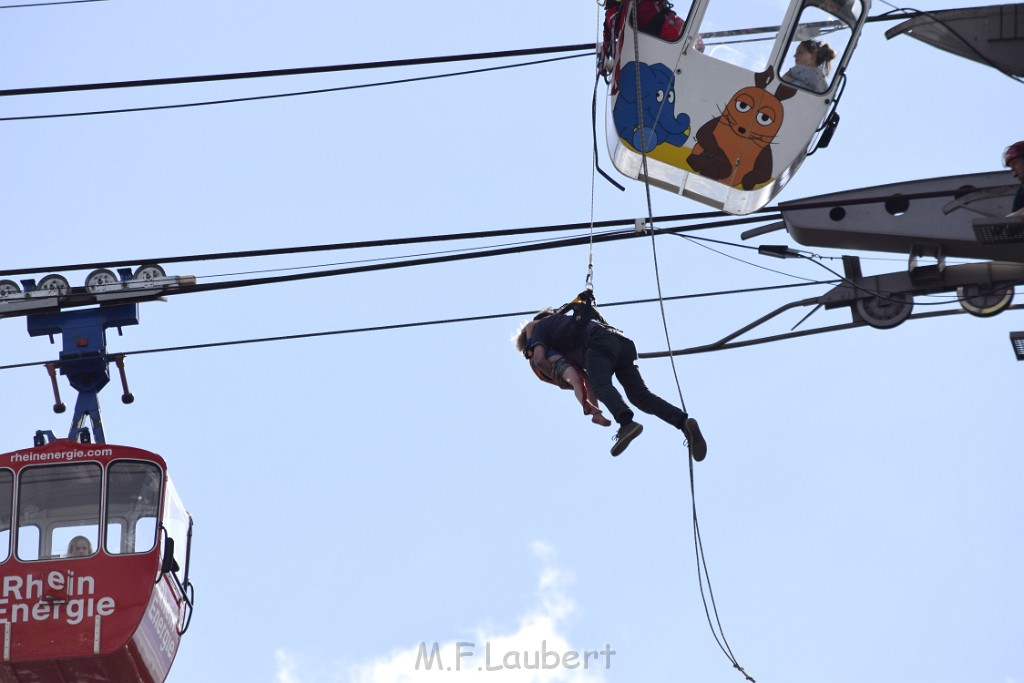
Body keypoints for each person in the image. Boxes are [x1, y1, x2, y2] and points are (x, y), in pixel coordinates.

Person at [515, 297, 706, 459]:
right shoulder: (568, 323)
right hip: (619, 342)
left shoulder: (540, 328)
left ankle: (626, 423)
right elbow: (588, 382)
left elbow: (539, 359)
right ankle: (683, 423)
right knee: (640, 396)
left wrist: (556, 377)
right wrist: (596, 410)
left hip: (597, 344)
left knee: (603, 385)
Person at [1004, 140, 1024, 216]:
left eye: (1015, 163)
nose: (1014, 169)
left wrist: (1013, 216)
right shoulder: (1021, 192)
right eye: (1011, 167)